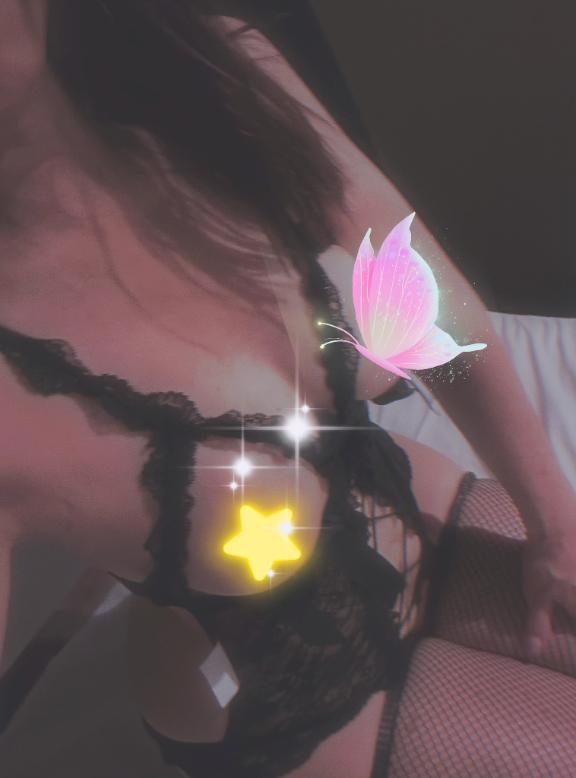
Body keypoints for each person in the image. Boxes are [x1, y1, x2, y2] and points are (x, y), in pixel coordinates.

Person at [0, 2, 575, 776]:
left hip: (410, 506)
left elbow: (426, 299)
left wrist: (555, 520)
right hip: (291, 695)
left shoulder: (217, 69)